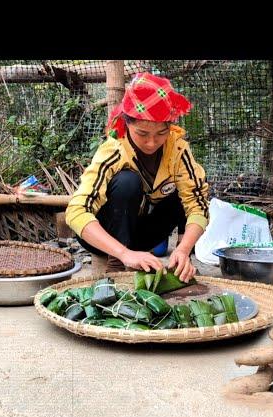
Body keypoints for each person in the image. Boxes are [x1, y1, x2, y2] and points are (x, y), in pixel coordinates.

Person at [65, 72, 209, 283]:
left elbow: (197, 205)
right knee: (126, 182)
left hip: (140, 235)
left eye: (161, 133)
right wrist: (124, 254)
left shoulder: (178, 149)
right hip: (105, 232)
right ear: (127, 123)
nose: (152, 143)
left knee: (183, 194)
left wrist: (184, 249)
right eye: (142, 134)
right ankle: (115, 263)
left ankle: (181, 261)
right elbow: (76, 211)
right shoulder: (113, 150)